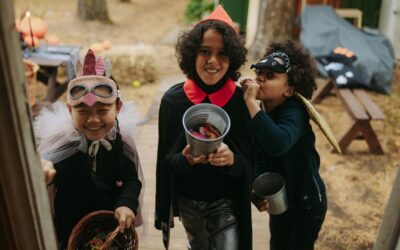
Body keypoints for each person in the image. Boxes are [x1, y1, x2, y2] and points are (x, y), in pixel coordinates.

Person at [155, 5, 253, 250]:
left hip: (226, 201)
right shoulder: (173, 101)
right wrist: (185, 160)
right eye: (204, 52)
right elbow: (165, 164)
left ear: (232, 59)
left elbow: (251, 162)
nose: (213, 61)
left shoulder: (241, 103)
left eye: (222, 54)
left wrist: (233, 159)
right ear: (191, 55)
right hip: (189, 202)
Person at [36, 49, 144, 249]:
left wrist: (126, 203)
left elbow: (130, 179)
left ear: (117, 108)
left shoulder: (119, 140)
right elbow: (46, 167)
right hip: (69, 234)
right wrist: (44, 171)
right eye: (83, 111)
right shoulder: (63, 145)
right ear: (70, 109)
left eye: (103, 111)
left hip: (110, 234)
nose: (93, 120)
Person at [240, 40, 328, 250]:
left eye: (270, 76)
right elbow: (257, 155)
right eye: (259, 72)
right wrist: (256, 189)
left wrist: (251, 104)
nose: (260, 78)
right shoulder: (259, 113)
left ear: (289, 90)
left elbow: (277, 143)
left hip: (307, 203)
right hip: (281, 200)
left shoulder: (294, 112)